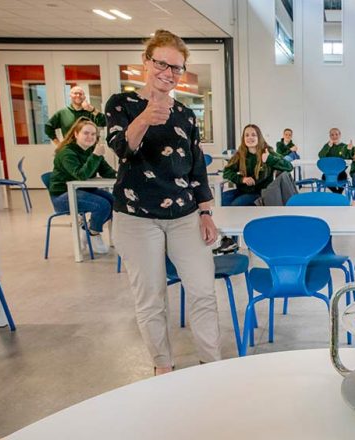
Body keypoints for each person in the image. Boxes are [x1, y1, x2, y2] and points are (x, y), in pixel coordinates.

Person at [105, 29, 221, 375]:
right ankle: (163, 368)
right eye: (163, 64)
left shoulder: (186, 114)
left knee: (203, 291)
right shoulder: (121, 105)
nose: (169, 73)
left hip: (184, 214)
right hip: (136, 217)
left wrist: (205, 212)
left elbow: (196, 165)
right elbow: (121, 149)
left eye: (177, 68)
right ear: (146, 63)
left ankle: (211, 366)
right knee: (152, 298)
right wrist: (145, 117)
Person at [48, 117, 116, 253]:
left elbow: (108, 172)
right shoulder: (66, 152)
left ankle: (88, 229)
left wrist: (126, 175)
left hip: (84, 192)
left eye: (93, 134)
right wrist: (96, 155)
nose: (90, 137)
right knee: (102, 205)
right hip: (63, 196)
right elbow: (81, 175)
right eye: (86, 133)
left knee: (115, 203)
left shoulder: (91, 151)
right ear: (76, 134)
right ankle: (94, 234)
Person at [222, 124, 295, 206]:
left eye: (253, 135)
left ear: (259, 137)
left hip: (261, 193)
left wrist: (269, 159)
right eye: (247, 135)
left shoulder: (267, 152)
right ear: (243, 138)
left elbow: (289, 167)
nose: (250, 137)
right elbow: (226, 171)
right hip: (243, 190)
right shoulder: (240, 154)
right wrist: (242, 179)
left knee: (236, 205)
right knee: (223, 200)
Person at [318, 127, 351, 193]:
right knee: (324, 178)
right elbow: (321, 156)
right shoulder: (327, 145)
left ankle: (338, 193)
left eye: (336, 134)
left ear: (340, 135)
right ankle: (337, 193)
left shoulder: (344, 146)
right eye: (332, 135)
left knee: (344, 177)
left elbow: (349, 159)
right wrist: (328, 146)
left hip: (341, 173)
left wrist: (350, 150)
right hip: (328, 173)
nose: (334, 136)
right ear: (330, 136)